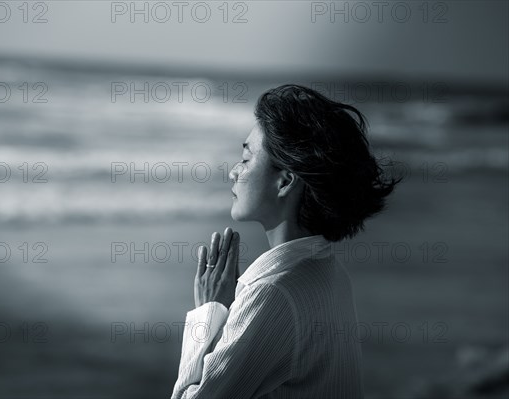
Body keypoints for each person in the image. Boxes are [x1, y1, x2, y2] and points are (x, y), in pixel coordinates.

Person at [171, 84, 401, 399]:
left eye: (246, 159)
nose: (233, 173)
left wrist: (210, 312)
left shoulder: (272, 294)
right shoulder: (330, 274)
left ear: (285, 181)